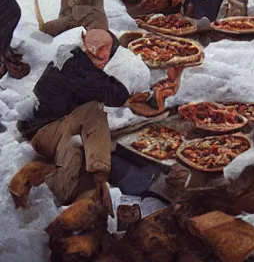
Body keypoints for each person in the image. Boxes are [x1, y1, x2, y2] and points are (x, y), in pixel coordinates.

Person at [11, 29, 161, 206]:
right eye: (101, 53)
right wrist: (126, 99)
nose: (104, 59)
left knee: (99, 138)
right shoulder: (75, 68)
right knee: (94, 115)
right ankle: (104, 174)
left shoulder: (79, 58)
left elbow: (104, 83)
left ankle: (120, 179)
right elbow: (108, 91)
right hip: (45, 132)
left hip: (58, 126)